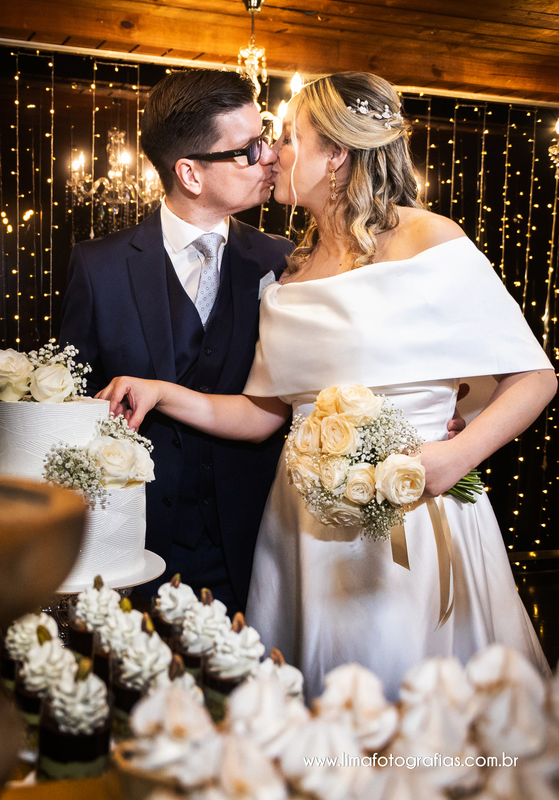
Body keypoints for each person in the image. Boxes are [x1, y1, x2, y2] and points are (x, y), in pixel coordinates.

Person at [98, 71, 554, 698]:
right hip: (301, 533)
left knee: (410, 706)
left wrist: (457, 456)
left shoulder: (430, 239)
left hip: (411, 514)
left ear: (336, 154)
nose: (272, 154)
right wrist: (160, 391)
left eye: (288, 138)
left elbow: (534, 377)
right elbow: (261, 413)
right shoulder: (288, 274)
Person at [59, 70, 292, 616]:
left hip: (255, 542)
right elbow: (68, 410)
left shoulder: (283, 260)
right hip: (133, 544)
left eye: (265, 140)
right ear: (189, 173)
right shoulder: (99, 267)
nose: (270, 158)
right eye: (249, 149)